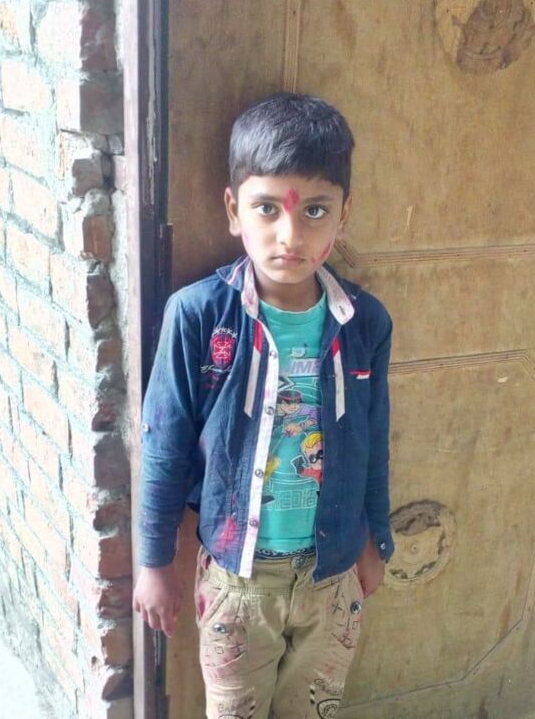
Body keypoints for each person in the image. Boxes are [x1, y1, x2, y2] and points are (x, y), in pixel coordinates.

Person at [133, 92, 394, 719]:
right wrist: (154, 562)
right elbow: (164, 446)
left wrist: (375, 539)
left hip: (332, 577)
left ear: (344, 214)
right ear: (234, 210)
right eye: (267, 208)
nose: (290, 235)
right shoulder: (198, 316)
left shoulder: (364, 323)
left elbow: (374, 437)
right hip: (238, 584)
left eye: (315, 211)